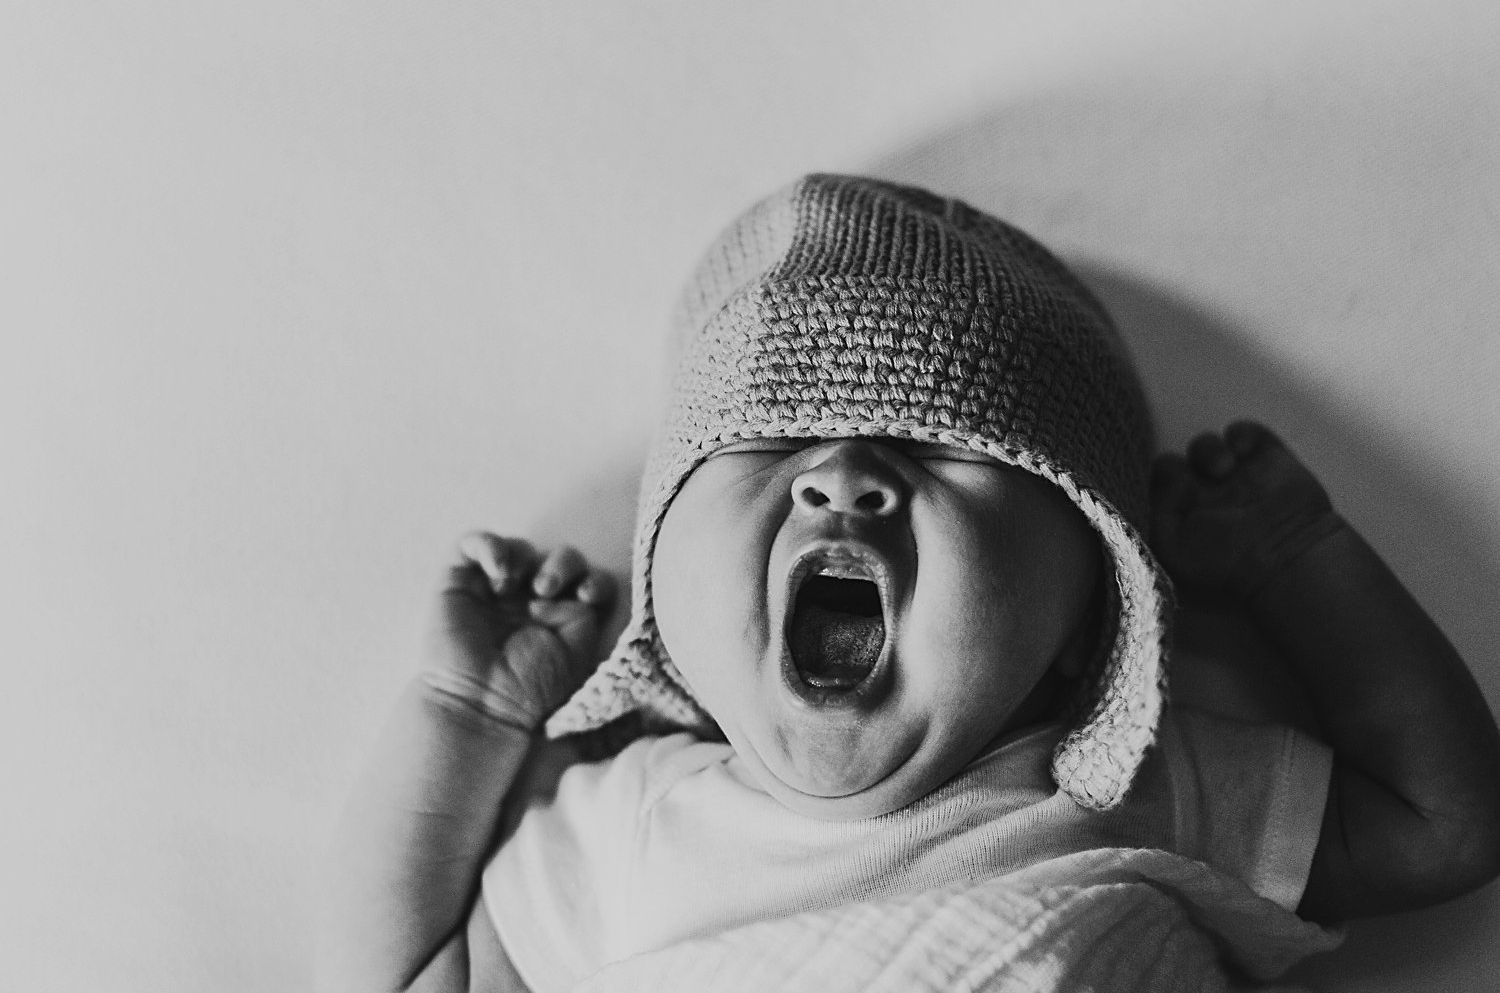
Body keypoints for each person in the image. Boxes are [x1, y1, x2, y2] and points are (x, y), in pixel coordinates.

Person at [319, 175, 1500, 992]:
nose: (839, 476)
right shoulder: (633, 823)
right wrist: (467, 719)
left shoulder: (1136, 786)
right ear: (663, 604)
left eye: (942, 450)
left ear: (1090, 613)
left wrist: (1302, 562)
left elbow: (1445, 829)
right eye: (771, 443)